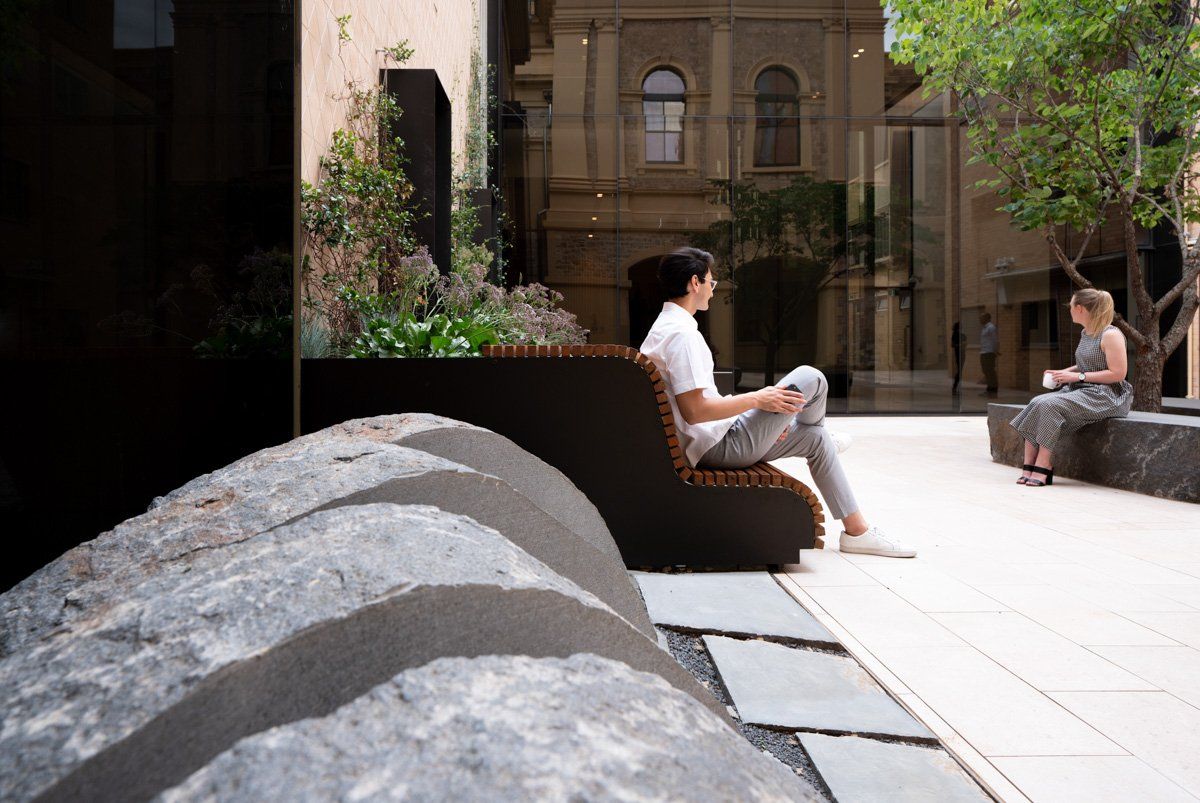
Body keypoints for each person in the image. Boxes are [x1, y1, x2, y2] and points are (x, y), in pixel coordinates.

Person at [639, 247, 916, 558]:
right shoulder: (681, 335)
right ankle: (801, 423)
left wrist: (771, 417)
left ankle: (857, 532)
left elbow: (697, 406)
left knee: (816, 439)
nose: (713, 291)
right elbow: (695, 411)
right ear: (695, 282)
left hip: (716, 439)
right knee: (811, 377)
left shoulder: (666, 328)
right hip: (717, 446)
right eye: (711, 283)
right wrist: (757, 398)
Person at [1009, 288, 1132, 487]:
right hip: (1083, 388)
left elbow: (1118, 373)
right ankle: (1029, 464)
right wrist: (1063, 373)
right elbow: (1087, 363)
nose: (1070, 310)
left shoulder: (1111, 335)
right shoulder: (1086, 332)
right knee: (1037, 402)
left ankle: (1044, 464)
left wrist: (1076, 377)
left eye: (1071, 306)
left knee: (1050, 405)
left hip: (1107, 394)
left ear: (1080, 308)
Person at [979, 311, 999, 396]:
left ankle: (993, 390)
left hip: (989, 352)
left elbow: (995, 340)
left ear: (987, 318)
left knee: (990, 372)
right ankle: (989, 389)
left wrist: (995, 351)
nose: (980, 319)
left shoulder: (991, 327)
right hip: (984, 352)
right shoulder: (984, 328)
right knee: (986, 371)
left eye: (981, 318)